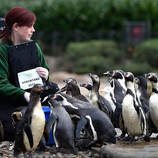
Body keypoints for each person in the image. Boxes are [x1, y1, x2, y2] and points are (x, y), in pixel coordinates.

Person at [0, 6, 50, 141]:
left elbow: (45, 71)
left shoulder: (35, 46)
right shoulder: (2, 49)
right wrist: (25, 95)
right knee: (15, 128)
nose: (33, 30)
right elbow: (1, 84)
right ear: (16, 27)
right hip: (8, 101)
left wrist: (45, 74)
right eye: (30, 26)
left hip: (33, 98)